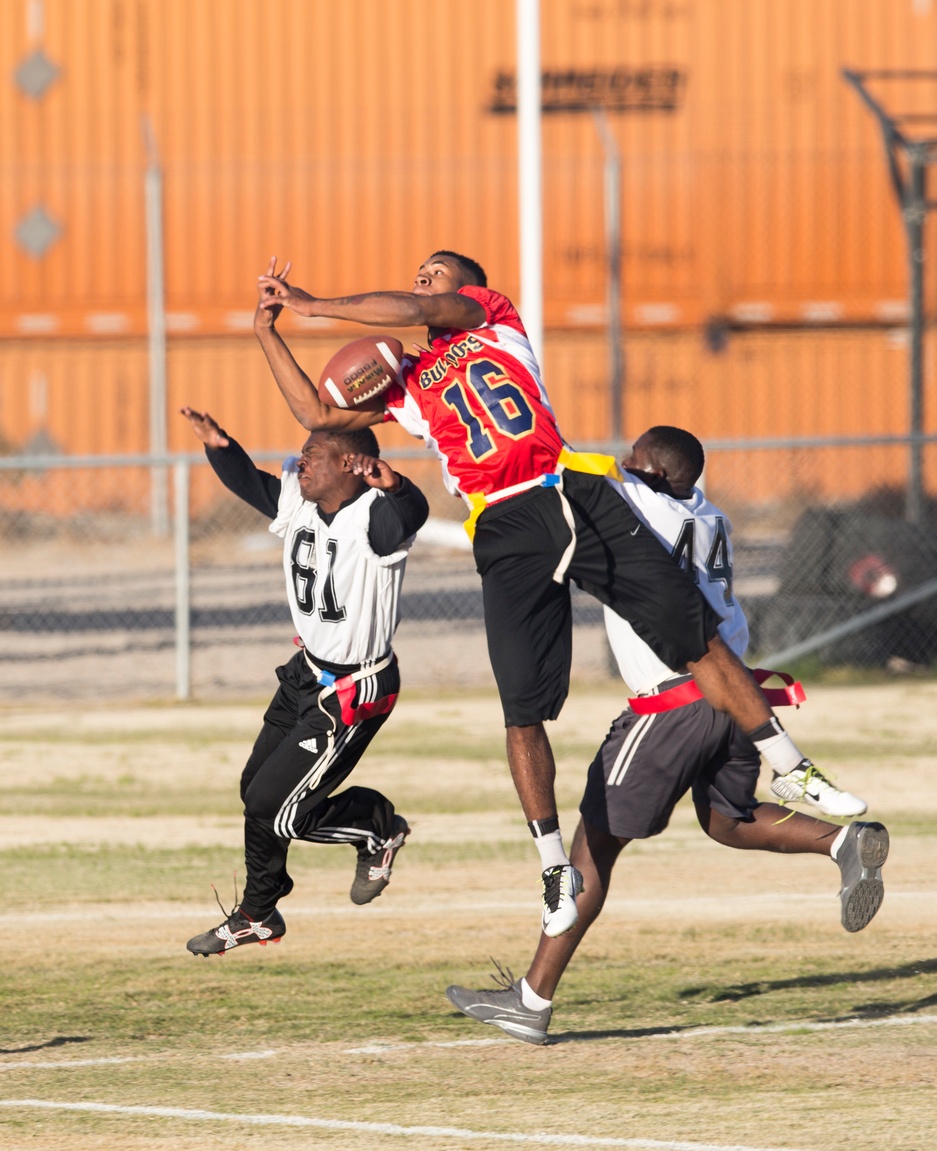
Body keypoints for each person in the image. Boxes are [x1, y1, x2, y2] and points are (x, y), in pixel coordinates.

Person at [252, 251, 866, 939]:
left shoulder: (494, 316)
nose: (423, 279)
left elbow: (420, 310)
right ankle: (553, 869)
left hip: (568, 490)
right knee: (521, 711)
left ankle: (790, 767)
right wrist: (269, 331)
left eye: (435, 271)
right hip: (503, 521)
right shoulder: (410, 382)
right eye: (418, 271)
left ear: (468, 286)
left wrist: (316, 303)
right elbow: (315, 409)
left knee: (693, 635)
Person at [444, 425, 889, 1044]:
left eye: (631, 461)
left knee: (592, 850)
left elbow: (563, 470)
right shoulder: (713, 516)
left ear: (649, 472)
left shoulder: (635, 503)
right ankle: (842, 842)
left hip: (670, 702)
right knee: (726, 820)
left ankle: (531, 1000)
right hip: (737, 694)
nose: (620, 467)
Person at [180, 406, 429, 956]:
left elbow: (410, 515)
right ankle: (259, 913)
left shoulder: (374, 518)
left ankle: (375, 825)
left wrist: (399, 485)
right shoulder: (300, 502)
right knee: (255, 793)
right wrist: (220, 445)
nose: (299, 462)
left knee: (283, 810)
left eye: (312, 455)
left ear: (350, 464)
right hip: (305, 674)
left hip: (355, 685)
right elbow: (252, 483)